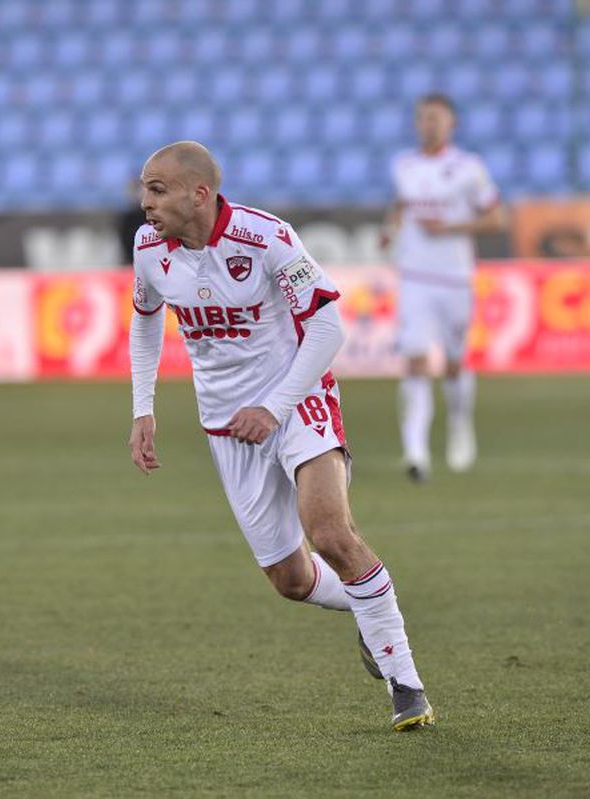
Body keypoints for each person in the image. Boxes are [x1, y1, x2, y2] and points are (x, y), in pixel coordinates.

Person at [128, 141, 434, 731]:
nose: (145, 202)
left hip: (297, 398)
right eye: (144, 188)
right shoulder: (147, 249)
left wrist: (274, 404)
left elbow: (326, 326)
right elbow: (144, 322)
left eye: (157, 189)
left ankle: (407, 686)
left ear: (200, 193)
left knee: (329, 533)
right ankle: (375, 610)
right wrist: (144, 410)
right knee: (291, 581)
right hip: (226, 424)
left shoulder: (265, 237)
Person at [384, 94, 507, 481]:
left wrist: (451, 228)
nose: (429, 124)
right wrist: (390, 231)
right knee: (416, 360)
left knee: (454, 363)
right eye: (423, 118)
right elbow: (401, 205)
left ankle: (458, 424)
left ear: (451, 123)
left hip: (455, 278)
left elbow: (495, 219)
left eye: (437, 118)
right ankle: (415, 451)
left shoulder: (469, 168)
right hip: (415, 277)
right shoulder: (404, 165)